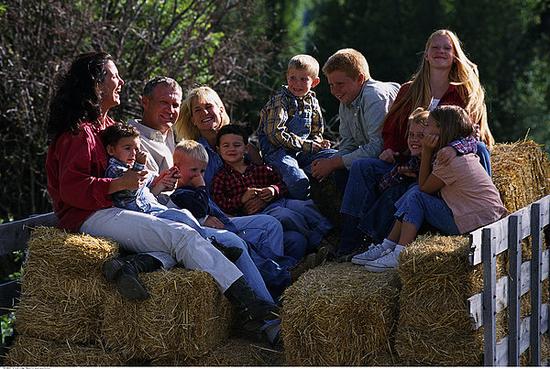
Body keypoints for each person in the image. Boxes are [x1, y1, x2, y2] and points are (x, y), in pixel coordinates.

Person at [45, 52, 280, 345]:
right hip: (89, 215)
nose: (121, 81)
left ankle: (140, 264)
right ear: (96, 85)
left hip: (117, 207)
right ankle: (253, 309)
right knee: (181, 236)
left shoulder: (106, 127)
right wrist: (120, 183)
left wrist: (137, 171)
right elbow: (71, 189)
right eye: (114, 76)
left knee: (182, 232)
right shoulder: (78, 133)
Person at [337, 29, 494, 258]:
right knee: (362, 167)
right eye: (435, 47)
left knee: (474, 152)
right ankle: (349, 242)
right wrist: (390, 149)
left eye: (446, 48)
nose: (440, 51)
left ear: (455, 55)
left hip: (443, 165)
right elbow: (390, 128)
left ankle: (482, 213)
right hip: (406, 159)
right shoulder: (409, 90)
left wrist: (438, 153)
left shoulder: (465, 92)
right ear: (427, 55)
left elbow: (472, 136)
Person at [361, 105, 507, 272]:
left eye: (429, 125)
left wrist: (428, 151)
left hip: (477, 223)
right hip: (483, 218)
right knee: (414, 193)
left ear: (441, 129)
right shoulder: (454, 152)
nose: (425, 130)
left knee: (416, 195)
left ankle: (399, 253)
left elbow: (424, 188)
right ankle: (387, 246)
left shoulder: (448, 159)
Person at [173, 86, 311, 261]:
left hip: (259, 209)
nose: (204, 113)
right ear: (192, 119)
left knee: (297, 239)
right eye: (197, 110)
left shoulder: (242, 144)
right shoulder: (193, 152)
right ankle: (277, 272)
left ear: (221, 109)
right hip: (224, 216)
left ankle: (303, 264)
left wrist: (261, 198)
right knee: (275, 223)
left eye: (209, 107)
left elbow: (264, 174)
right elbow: (194, 194)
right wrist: (237, 208)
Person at [170, 140, 306, 300]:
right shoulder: (182, 193)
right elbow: (199, 209)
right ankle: (280, 282)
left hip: (227, 225)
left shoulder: (196, 189)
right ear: (177, 168)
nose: (198, 175)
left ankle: (284, 271)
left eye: (202, 170)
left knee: (263, 242)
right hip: (215, 235)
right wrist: (201, 188)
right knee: (251, 251)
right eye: (194, 170)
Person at [211, 124, 332, 261]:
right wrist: (242, 199)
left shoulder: (260, 168)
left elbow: (283, 184)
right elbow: (220, 204)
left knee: (305, 206)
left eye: (237, 145)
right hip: (261, 213)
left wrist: (273, 190)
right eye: (226, 146)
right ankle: (316, 242)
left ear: (246, 148)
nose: (231, 149)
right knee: (287, 219)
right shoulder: (221, 178)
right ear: (218, 150)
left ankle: (329, 234)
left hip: (279, 201)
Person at [337, 108, 431, 259]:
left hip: (425, 206)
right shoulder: (411, 160)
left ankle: (377, 242)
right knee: (386, 186)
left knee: (399, 193)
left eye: (420, 136)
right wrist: (400, 173)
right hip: (405, 187)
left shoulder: (433, 158)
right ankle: (351, 241)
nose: (414, 139)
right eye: (411, 135)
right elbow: (384, 183)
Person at [310, 48, 400, 185]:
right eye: (331, 85)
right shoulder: (347, 99)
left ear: (360, 79)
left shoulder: (374, 96)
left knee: (355, 167)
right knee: (324, 157)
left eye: (340, 84)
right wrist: (328, 163)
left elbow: (378, 147)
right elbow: (348, 143)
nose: (334, 91)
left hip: (396, 158)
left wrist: (333, 164)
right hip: (374, 155)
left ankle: (353, 207)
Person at [256, 54, 337, 199]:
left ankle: (313, 177)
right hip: (278, 152)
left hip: (302, 151)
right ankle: (302, 203)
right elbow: (275, 134)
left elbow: (316, 130)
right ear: (287, 76)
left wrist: (319, 143)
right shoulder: (280, 101)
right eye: (292, 78)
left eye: (303, 79)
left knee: (335, 157)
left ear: (314, 82)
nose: (297, 84)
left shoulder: (312, 101)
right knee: (297, 180)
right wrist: (309, 145)